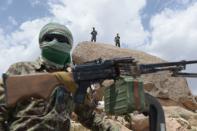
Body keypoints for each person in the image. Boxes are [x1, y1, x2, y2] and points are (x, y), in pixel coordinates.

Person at [0, 23, 129, 131]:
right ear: (41, 42)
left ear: (69, 45)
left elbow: (89, 117)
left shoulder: (74, 79)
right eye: (49, 38)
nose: (55, 42)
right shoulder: (19, 70)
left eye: (62, 39)